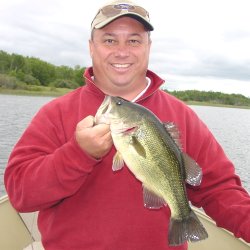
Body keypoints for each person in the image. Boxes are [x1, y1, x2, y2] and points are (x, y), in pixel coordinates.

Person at [4, 0, 250, 249]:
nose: (122, 51)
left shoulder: (182, 115)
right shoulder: (56, 113)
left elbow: (221, 190)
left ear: (148, 47)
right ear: (91, 47)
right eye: (109, 40)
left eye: (134, 40)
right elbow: (21, 194)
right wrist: (77, 154)